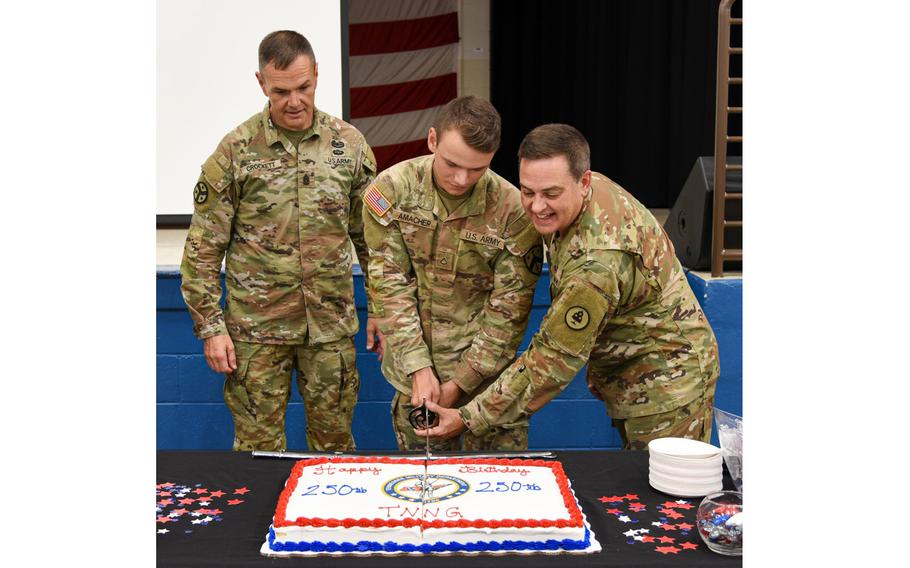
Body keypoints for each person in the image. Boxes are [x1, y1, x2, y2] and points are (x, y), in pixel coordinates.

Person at [416, 124, 720, 450]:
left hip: (668, 386)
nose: (536, 206)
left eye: (550, 194)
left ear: (583, 181)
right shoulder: (578, 196)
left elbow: (550, 362)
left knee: (663, 496)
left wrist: (467, 417)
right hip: (632, 377)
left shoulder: (597, 265)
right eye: (527, 191)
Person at [180, 30, 376, 452]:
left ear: (318, 75)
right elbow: (201, 250)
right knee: (257, 452)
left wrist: (379, 309)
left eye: (304, 87)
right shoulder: (234, 152)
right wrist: (211, 328)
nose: (294, 101)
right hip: (256, 334)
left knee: (335, 450)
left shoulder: (350, 146)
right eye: (281, 90)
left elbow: (374, 243)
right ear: (261, 83)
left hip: (329, 331)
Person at [362, 96, 543, 452]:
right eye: (452, 164)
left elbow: (508, 314)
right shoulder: (391, 191)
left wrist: (460, 384)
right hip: (416, 384)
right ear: (432, 140)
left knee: (498, 498)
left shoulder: (513, 211)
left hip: (489, 387)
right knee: (425, 496)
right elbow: (390, 284)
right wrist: (418, 367)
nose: (462, 179)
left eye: (477, 169)